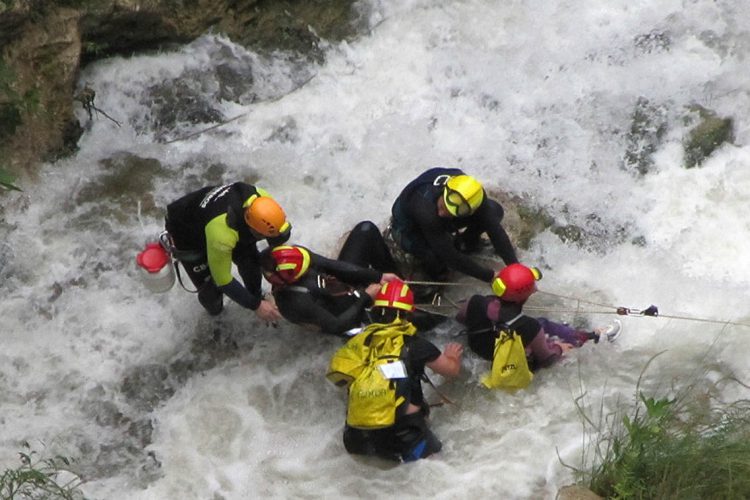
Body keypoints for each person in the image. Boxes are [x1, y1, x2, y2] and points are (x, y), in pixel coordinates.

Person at [327, 279, 463, 463]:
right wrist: (452, 356)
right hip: (403, 436)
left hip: (358, 439)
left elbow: (341, 380)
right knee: (440, 465)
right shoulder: (415, 345)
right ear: (408, 313)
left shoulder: (359, 343)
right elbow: (451, 371)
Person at [261, 221, 445, 336]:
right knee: (422, 319)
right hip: (346, 314)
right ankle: (445, 324)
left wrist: (378, 276)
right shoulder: (293, 302)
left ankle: (402, 286)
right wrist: (366, 297)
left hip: (343, 288)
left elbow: (331, 265)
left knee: (366, 230)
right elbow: (337, 325)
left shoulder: (295, 257)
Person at [456, 263, 621, 373]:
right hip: (508, 362)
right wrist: (558, 348)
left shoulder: (476, 301)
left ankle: (574, 332)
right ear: (526, 294)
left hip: (478, 349)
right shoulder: (529, 327)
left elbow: (461, 317)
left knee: (542, 324)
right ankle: (595, 336)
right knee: (546, 330)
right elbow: (547, 361)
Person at [163, 182, 290, 321]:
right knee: (211, 291)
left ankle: (256, 294)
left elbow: (277, 241)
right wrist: (256, 306)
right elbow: (223, 280)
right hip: (187, 231)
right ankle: (216, 318)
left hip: (216, 213)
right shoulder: (222, 235)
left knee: (250, 263)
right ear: (252, 227)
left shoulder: (263, 199)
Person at [387, 167, 519, 286]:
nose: (441, 213)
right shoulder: (425, 208)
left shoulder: (473, 193)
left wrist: (515, 268)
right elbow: (449, 256)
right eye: (443, 207)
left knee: (494, 211)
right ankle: (433, 276)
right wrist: (490, 276)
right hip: (409, 228)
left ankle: (467, 243)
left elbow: (495, 229)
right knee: (434, 256)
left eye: (449, 212)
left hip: (439, 220)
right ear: (445, 191)